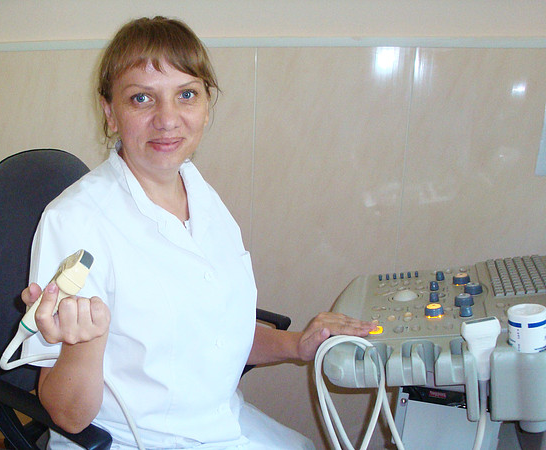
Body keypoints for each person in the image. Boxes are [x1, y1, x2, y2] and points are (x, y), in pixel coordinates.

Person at [20, 16, 375, 449]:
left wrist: (298, 344)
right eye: (141, 98)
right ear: (110, 113)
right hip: (134, 440)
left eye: (186, 94)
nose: (167, 119)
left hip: (219, 422)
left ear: (207, 106)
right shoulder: (75, 222)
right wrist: (84, 344)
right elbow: (68, 418)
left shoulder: (200, 194)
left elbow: (217, 332)